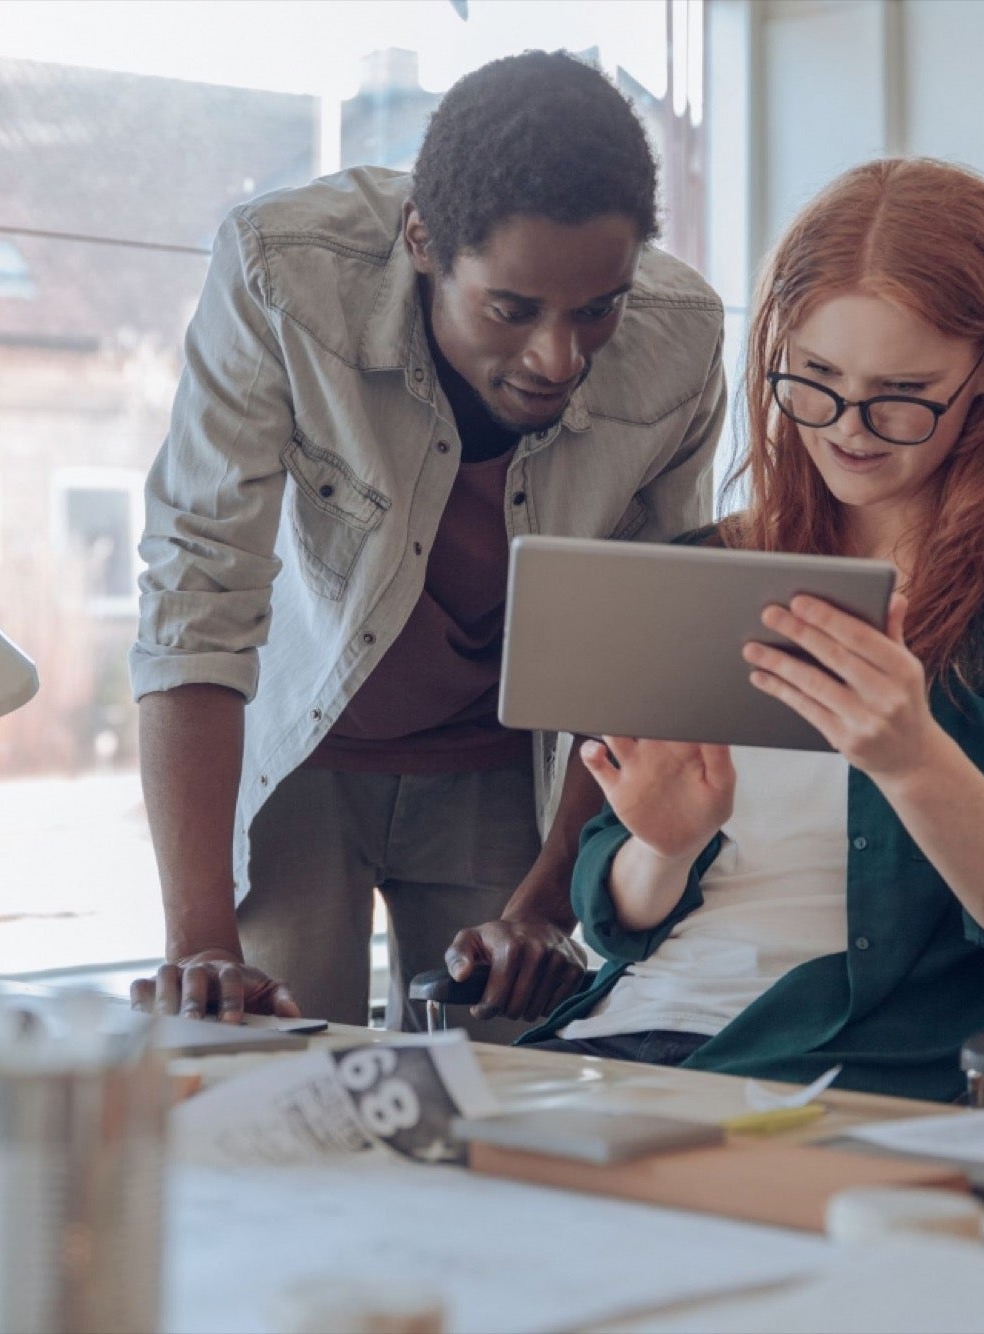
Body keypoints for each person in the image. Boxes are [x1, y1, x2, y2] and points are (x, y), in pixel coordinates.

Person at [519, 158, 984, 1099]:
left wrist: (915, 761)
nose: (849, 428)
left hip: (833, 1065)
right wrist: (666, 844)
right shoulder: (708, 566)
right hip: (621, 1036)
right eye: (816, 378)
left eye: (902, 391)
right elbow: (614, 915)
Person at [127, 51, 728, 1035]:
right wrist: (198, 942)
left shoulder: (680, 343)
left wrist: (545, 905)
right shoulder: (283, 274)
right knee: (265, 1058)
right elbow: (198, 591)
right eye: (511, 310)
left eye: (597, 309)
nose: (558, 357)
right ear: (421, 239)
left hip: (504, 771)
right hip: (302, 750)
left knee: (502, 1068)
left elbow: (635, 647)